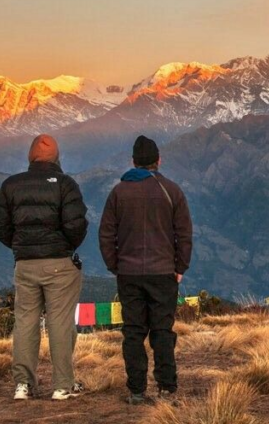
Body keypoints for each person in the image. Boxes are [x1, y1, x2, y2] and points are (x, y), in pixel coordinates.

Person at [0, 134, 87, 401]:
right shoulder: (65, 185)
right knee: (60, 322)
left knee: (25, 321)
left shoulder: (11, 185)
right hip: (59, 264)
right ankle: (62, 386)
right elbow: (76, 225)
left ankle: (23, 385)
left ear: (30, 157)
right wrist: (63, 246)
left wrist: (21, 246)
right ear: (57, 158)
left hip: (25, 264)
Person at [98, 136, 193, 406]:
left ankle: (137, 390)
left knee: (133, 331)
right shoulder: (172, 191)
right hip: (163, 272)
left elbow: (106, 235)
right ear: (158, 160)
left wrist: (115, 265)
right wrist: (180, 267)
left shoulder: (119, 192)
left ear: (133, 162)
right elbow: (184, 234)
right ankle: (166, 387)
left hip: (128, 273)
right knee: (162, 331)